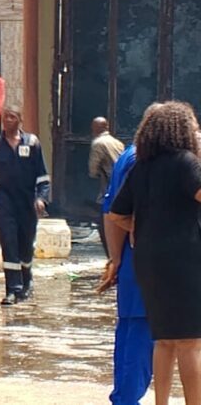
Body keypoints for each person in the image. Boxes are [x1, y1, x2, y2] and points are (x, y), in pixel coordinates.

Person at [107, 101, 201, 405]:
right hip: (183, 259)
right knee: (190, 342)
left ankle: (161, 402)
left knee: (164, 341)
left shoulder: (142, 166)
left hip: (147, 261)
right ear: (182, 131)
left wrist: (138, 226)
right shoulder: (186, 163)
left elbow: (116, 213)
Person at [98, 118, 156, 405]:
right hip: (145, 258)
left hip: (131, 258)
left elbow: (110, 210)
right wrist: (118, 259)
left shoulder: (129, 156)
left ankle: (123, 397)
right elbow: (117, 214)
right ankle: (127, 398)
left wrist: (115, 259)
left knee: (131, 329)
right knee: (142, 333)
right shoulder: (142, 161)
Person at [0, 104, 50, 305]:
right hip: (5, 202)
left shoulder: (32, 143)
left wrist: (41, 198)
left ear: (20, 120)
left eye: (12, 117)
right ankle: (12, 289)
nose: (8, 121)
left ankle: (27, 281)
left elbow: (42, 176)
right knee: (8, 242)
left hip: (27, 202)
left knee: (25, 244)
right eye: (5, 117)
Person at [90, 116, 125, 251]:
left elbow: (93, 170)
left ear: (94, 129)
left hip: (108, 186)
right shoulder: (117, 142)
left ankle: (111, 254)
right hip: (122, 183)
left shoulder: (98, 143)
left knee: (104, 223)